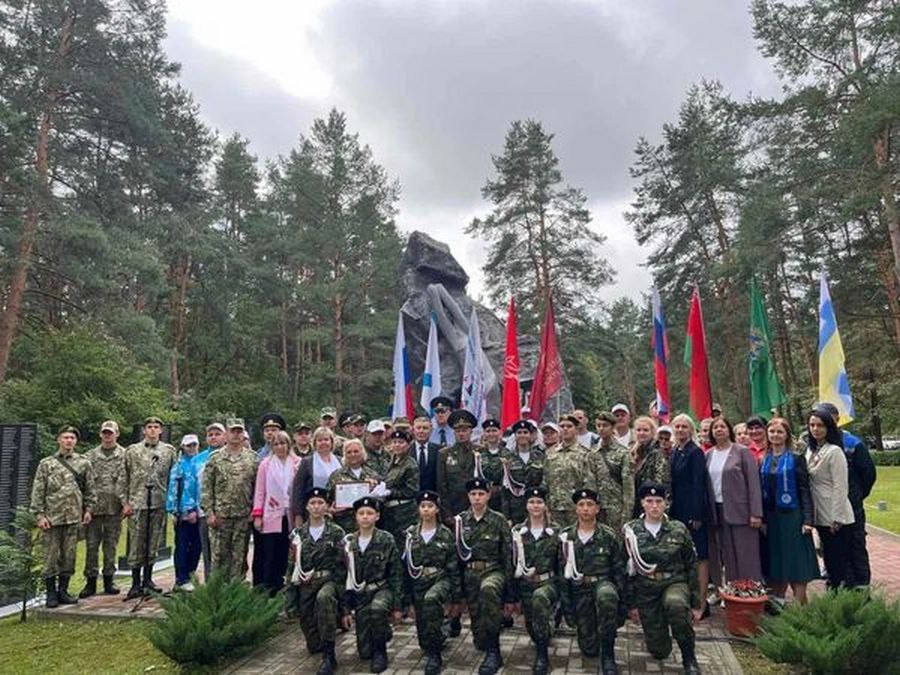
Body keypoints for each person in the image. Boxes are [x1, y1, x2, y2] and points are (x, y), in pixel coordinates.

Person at [625, 483, 702, 674]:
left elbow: (691, 565)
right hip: (646, 589)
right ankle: (661, 634)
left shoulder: (678, 529)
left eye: (659, 501)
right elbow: (625, 571)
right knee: (660, 651)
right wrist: (632, 605)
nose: (654, 506)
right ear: (642, 503)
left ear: (666, 504)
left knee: (675, 605)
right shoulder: (631, 531)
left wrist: (696, 604)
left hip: (673, 582)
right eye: (649, 501)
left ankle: (689, 657)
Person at [559, 488, 625, 674]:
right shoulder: (566, 538)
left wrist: (623, 608)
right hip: (579, 591)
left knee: (606, 597)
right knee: (589, 649)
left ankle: (609, 654)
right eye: (581, 505)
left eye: (590, 505)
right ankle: (593, 639)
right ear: (576, 509)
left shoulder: (609, 536)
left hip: (603, 585)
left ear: (597, 509)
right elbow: (562, 577)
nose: (585, 508)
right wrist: (568, 610)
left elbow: (619, 572)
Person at [452, 477, 513, 675]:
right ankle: (486, 641)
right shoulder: (461, 520)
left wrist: (511, 596)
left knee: (488, 591)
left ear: (488, 495)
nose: (477, 498)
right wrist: (457, 593)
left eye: (481, 494)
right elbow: (457, 558)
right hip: (470, 574)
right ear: (468, 497)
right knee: (479, 635)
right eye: (473, 494)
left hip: (493, 571)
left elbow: (507, 556)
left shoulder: (498, 520)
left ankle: (495, 652)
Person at [30, 425, 95, 608]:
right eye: (65, 437)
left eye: (72, 438)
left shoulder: (84, 463)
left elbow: (90, 489)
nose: (69, 441)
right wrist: (39, 515)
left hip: (73, 517)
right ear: (59, 439)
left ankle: (63, 591)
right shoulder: (47, 464)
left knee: (69, 556)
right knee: (50, 557)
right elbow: (38, 490)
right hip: (52, 518)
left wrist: (88, 510)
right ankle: (51, 593)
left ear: (76, 441)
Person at [814, 401, 876, 589]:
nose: (820, 426)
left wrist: (856, 497)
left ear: (837, 420)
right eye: (816, 422)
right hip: (827, 510)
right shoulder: (816, 446)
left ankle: (861, 587)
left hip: (851, 506)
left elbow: (868, 474)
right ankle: (839, 584)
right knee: (832, 551)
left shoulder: (852, 443)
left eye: (826, 420)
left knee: (855, 546)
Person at [760, 418, 818, 605]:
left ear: (786, 435)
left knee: (796, 564)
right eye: (772, 431)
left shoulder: (796, 459)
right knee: (777, 562)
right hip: (772, 518)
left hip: (793, 518)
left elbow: (804, 491)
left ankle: (802, 607)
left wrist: (808, 520)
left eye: (779, 432)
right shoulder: (764, 459)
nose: (775, 435)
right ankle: (779, 604)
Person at [289, 486, 346, 675]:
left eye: (321, 503)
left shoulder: (336, 532)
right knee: (313, 644)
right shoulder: (298, 535)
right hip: (306, 584)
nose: (316, 507)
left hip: (328, 581)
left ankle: (329, 656)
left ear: (328, 506)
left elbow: (342, 568)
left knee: (324, 600)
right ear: (306, 507)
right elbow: (292, 568)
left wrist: (345, 605)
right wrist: (290, 602)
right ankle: (323, 641)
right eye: (312, 503)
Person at [342, 495, 403, 674]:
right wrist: (345, 609)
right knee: (364, 652)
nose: (365, 516)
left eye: (370, 513)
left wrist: (398, 606)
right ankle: (382, 632)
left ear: (377, 516)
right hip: (361, 595)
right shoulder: (348, 543)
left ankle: (381, 653)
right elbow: (344, 578)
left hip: (381, 589)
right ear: (356, 516)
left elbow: (396, 574)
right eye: (361, 513)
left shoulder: (386, 539)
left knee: (377, 610)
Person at [403, 490, 461, 675]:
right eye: (423, 506)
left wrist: (456, 598)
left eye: (430, 506)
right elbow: (406, 567)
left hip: (440, 579)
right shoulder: (411, 534)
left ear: (437, 509)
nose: (426, 510)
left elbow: (453, 566)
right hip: (418, 581)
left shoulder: (445, 534)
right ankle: (441, 632)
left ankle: (436, 656)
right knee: (424, 640)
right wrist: (407, 600)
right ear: (418, 509)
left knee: (432, 599)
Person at [705, 416, 763, 585]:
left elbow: (753, 483)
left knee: (746, 555)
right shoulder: (708, 455)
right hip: (718, 510)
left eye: (722, 426)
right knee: (728, 555)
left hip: (742, 512)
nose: (719, 430)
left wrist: (756, 513)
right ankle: (733, 591)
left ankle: (751, 590)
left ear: (729, 430)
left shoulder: (741, 452)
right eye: (715, 428)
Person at [123, 416, 176, 598]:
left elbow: (173, 478)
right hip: (137, 503)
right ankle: (135, 583)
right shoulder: (132, 451)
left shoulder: (169, 451)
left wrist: (172, 502)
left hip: (159, 502)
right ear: (144, 430)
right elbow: (124, 477)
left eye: (156, 427)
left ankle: (148, 580)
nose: (153, 430)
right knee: (136, 544)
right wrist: (126, 502)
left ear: (161, 431)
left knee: (153, 543)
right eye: (149, 427)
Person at [201, 418, 258, 580]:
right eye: (232, 431)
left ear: (243, 434)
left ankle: (236, 594)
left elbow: (257, 488)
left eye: (239, 431)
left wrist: (254, 511)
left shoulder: (253, 459)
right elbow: (206, 489)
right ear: (226, 433)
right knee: (219, 558)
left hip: (243, 517)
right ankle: (218, 597)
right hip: (220, 518)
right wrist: (209, 513)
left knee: (239, 559)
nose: (236, 434)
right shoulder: (215, 458)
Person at [510, 486, 559, 675]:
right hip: (525, 585)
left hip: (548, 584)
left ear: (546, 505)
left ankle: (542, 656)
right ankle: (548, 625)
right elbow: (511, 564)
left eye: (539, 502)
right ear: (526, 505)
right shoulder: (517, 532)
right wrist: (512, 598)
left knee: (540, 600)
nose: (535, 505)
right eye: (531, 502)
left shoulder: (555, 532)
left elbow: (562, 565)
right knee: (533, 626)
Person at [805, 408, 855, 589]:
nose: (816, 429)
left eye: (820, 425)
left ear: (829, 427)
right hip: (819, 513)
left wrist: (837, 517)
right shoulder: (811, 450)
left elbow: (841, 486)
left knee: (838, 564)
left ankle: (843, 602)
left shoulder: (835, 451)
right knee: (828, 561)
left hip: (836, 517)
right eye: (812, 425)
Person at [669, 414, 710, 618]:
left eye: (684, 426)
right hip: (677, 510)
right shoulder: (676, 451)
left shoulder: (695, 452)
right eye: (677, 426)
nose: (680, 430)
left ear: (691, 429)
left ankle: (701, 603)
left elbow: (699, 484)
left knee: (700, 556)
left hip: (693, 511)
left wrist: (697, 514)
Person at [252, 429, 301, 595]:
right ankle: (267, 590)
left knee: (285, 552)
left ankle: (283, 588)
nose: (280, 447)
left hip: (291, 514)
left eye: (283, 443)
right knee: (269, 553)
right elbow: (260, 491)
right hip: (271, 514)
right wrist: (257, 515)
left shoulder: (297, 463)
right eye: (276, 444)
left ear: (289, 445)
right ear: (272, 446)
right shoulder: (265, 464)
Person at [80, 419, 126, 598]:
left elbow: (128, 480)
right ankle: (90, 582)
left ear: (117, 434)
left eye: (111, 433)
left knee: (111, 546)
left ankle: (109, 579)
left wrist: (126, 503)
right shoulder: (89, 456)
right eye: (105, 433)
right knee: (91, 546)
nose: (107, 436)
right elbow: (83, 482)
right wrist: (85, 508)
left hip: (114, 508)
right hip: (94, 509)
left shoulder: (125, 455)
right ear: (100, 434)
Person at [166, 434, 204, 592]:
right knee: (182, 546)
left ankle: (190, 574)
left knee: (197, 546)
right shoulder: (179, 466)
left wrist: (197, 509)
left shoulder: (200, 463)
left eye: (194, 445)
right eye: (188, 445)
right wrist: (175, 511)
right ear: (183, 447)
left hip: (199, 512)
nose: (192, 448)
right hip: (183, 514)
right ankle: (181, 578)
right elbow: (173, 491)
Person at [543, 414, 595, 529]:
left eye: (569, 426)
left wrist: (585, 506)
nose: (565, 429)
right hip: (554, 508)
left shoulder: (585, 454)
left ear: (576, 429)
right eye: (562, 426)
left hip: (575, 508)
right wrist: (545, 506)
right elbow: (545, 481)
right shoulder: (550, 453)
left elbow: (589, 484)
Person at [291, 426, 343, 526]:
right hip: (314, 512)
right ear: (314, 443)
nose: (323, 442)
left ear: (332, 442)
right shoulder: (307, 462)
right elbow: (298, 490)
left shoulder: (341, 461)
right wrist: (298, 515)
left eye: (326, 439)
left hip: (339, 513)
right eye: (319, 440)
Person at [379, 429, 420, 553]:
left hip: (404, 513)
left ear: (408, 445)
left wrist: (390, 492)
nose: (397, 445)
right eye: (394, 442)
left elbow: (412, 491)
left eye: (401, 442)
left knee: (403, 547)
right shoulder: (391, 461)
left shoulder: (410, 464)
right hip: (390, 512)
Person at [326, 438, 380, 533]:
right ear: (344, 455)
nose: (353, 455)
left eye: (356, 451)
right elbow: (327, 500)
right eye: (349, 452)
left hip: (367, 526)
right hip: (343, 526)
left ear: (362, 453)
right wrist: (330, 510)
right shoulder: (336, 476)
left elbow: (380, 500)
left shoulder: (373, 475)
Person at [593, 411, 634, 531]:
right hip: (598, 507)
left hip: (616, 508)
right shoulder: (593, 452)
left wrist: (626, 514)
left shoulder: (623, 453)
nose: (601, 429)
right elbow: (590, 481)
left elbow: (628, 487)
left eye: (605, 425)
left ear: (613, 427)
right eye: (598, 425)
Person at [436, 409, 479, 522]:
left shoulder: (480, 452)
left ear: (471, 432)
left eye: (464, 430)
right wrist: (447, 514)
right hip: (453, 508)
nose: (461, 434)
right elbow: (442, 486)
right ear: (454, 432)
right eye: (458, 430)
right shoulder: (444, 454)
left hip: (476, 506)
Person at [502, 419, 545, 525]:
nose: (522, 435)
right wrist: (506, 516)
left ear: (531, 435)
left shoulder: (540, 456)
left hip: (536, 506)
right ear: (515, 436)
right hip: (515, 508)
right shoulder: (507, 459)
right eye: (519, 433)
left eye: (525, 432)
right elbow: (505, 488)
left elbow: (545, 481)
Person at [197, 422, 224, 579]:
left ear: (225, 436)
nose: (214, 437)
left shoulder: (234, 455)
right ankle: (210, 587)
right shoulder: (198, 459)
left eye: (217, 434)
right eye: (210, 434)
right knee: (208, 554)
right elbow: (193, 487)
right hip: (205, 513)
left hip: (229, 513)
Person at [630, 415, 670, 518]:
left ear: (652, 433)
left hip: (652, 505)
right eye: (638, 430)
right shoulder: (634, 452)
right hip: (636, 503)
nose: (641, 433)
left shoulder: (657, 453)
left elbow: (661, 482)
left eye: (645, 430)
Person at [477, 418, 506, 512]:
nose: (491, 434)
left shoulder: (508, 454)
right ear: (484, 434)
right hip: (482, 499)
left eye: (494, 430)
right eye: (488, 431)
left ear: (500, 432)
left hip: (503, 500)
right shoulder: (477, 454)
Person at [411, 416, 440, 492]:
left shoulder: (440, 451)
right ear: (413, 430)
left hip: (433, 496)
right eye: (418, 428)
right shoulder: (406, 451)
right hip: (411, 498)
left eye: (425, 428)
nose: (421, 431)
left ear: (431, 431)